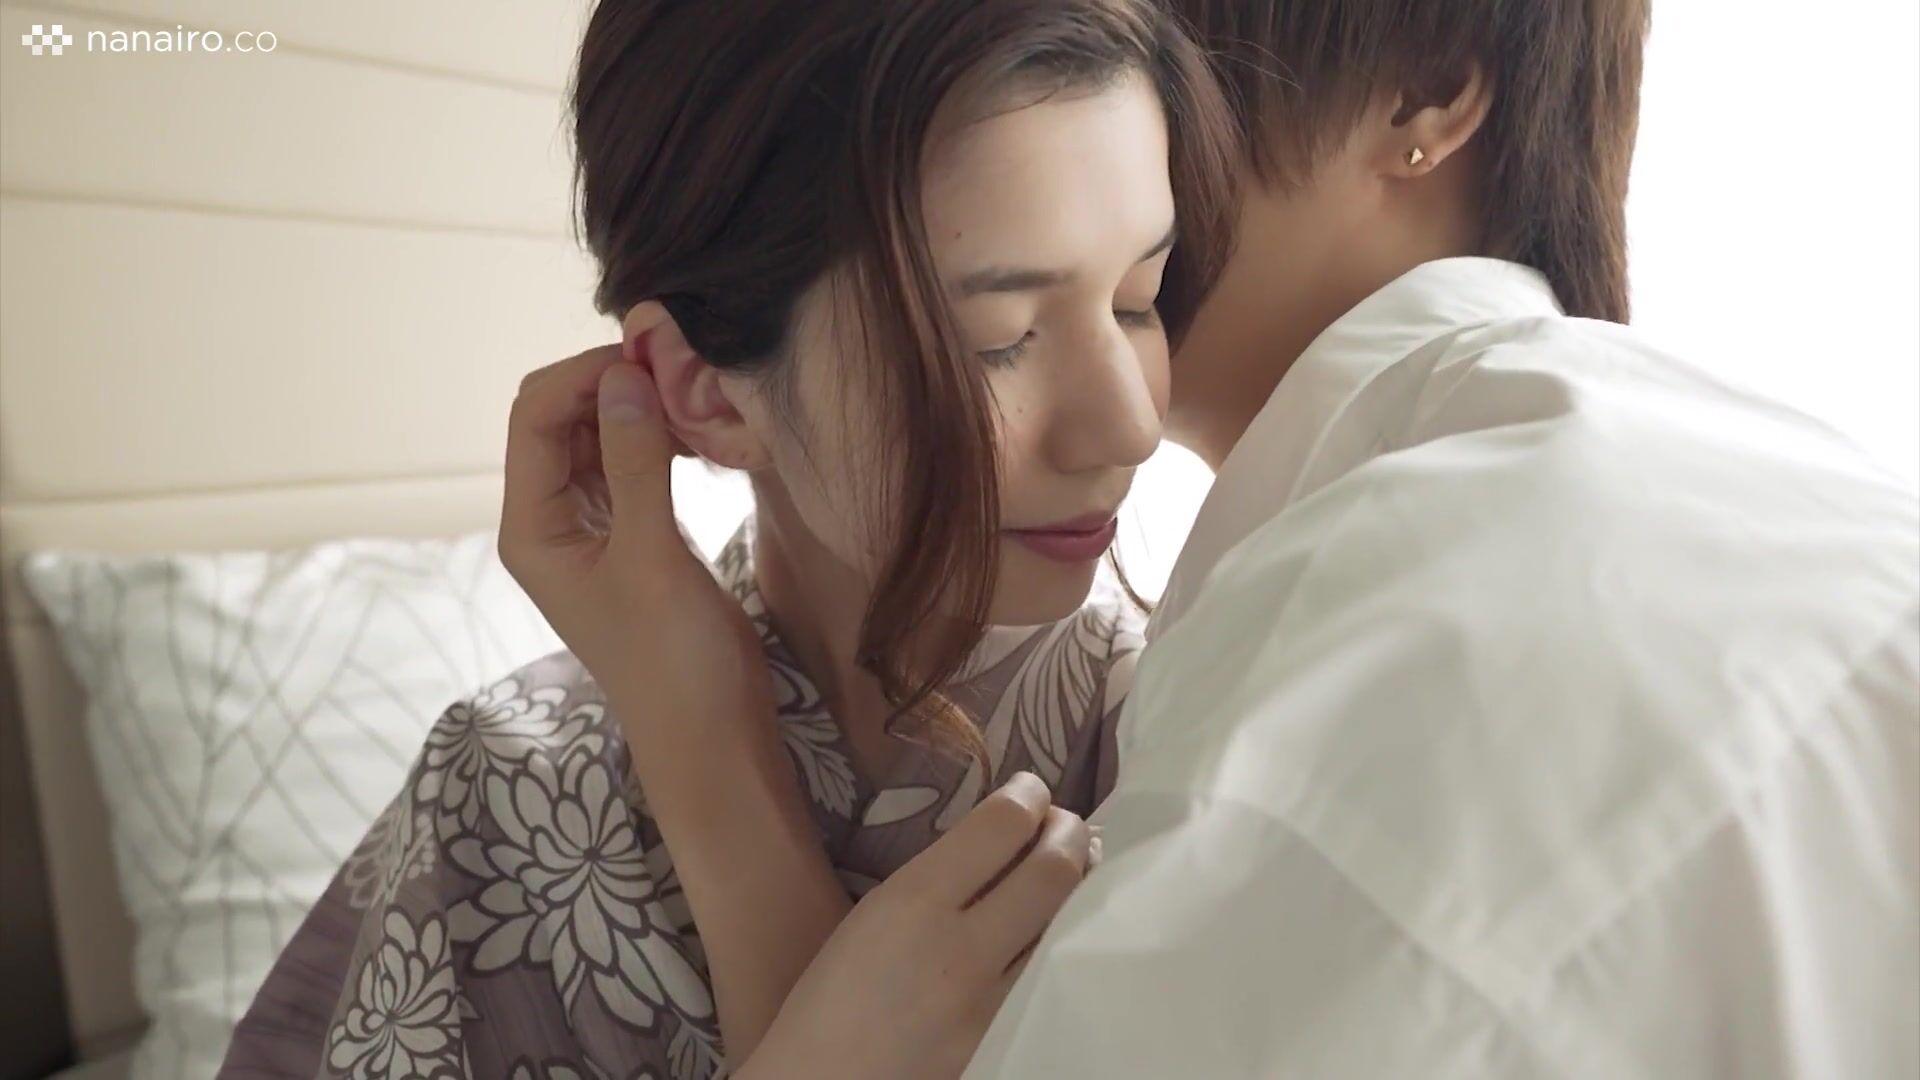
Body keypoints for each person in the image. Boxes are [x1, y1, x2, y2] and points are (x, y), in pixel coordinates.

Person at [218, 1, 1234, 1078]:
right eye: (999, 338)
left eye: (1138, 301)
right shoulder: (505, 791)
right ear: (706, 391)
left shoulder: (1215, 733)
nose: (1130, 423)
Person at [963, 1, 1920, 1076]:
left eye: (1145, 34)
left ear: (1421, 96)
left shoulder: (1391, 622)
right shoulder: (1749, 491)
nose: (1071, 90)